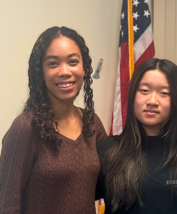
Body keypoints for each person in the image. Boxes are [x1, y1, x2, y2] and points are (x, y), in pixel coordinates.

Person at [0, 26, 107, 213]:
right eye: (53, 63)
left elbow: (111, 184)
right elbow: (7, 204)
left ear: (84, 68)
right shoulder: (26, 127)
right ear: (40, 71)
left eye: (73, 61)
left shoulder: (92, 123)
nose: (64, 71)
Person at [95, 58, 177, 214]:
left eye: (164, 93)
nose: (152, 101)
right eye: (144, 90)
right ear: (132, 95)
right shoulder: (107, 151)